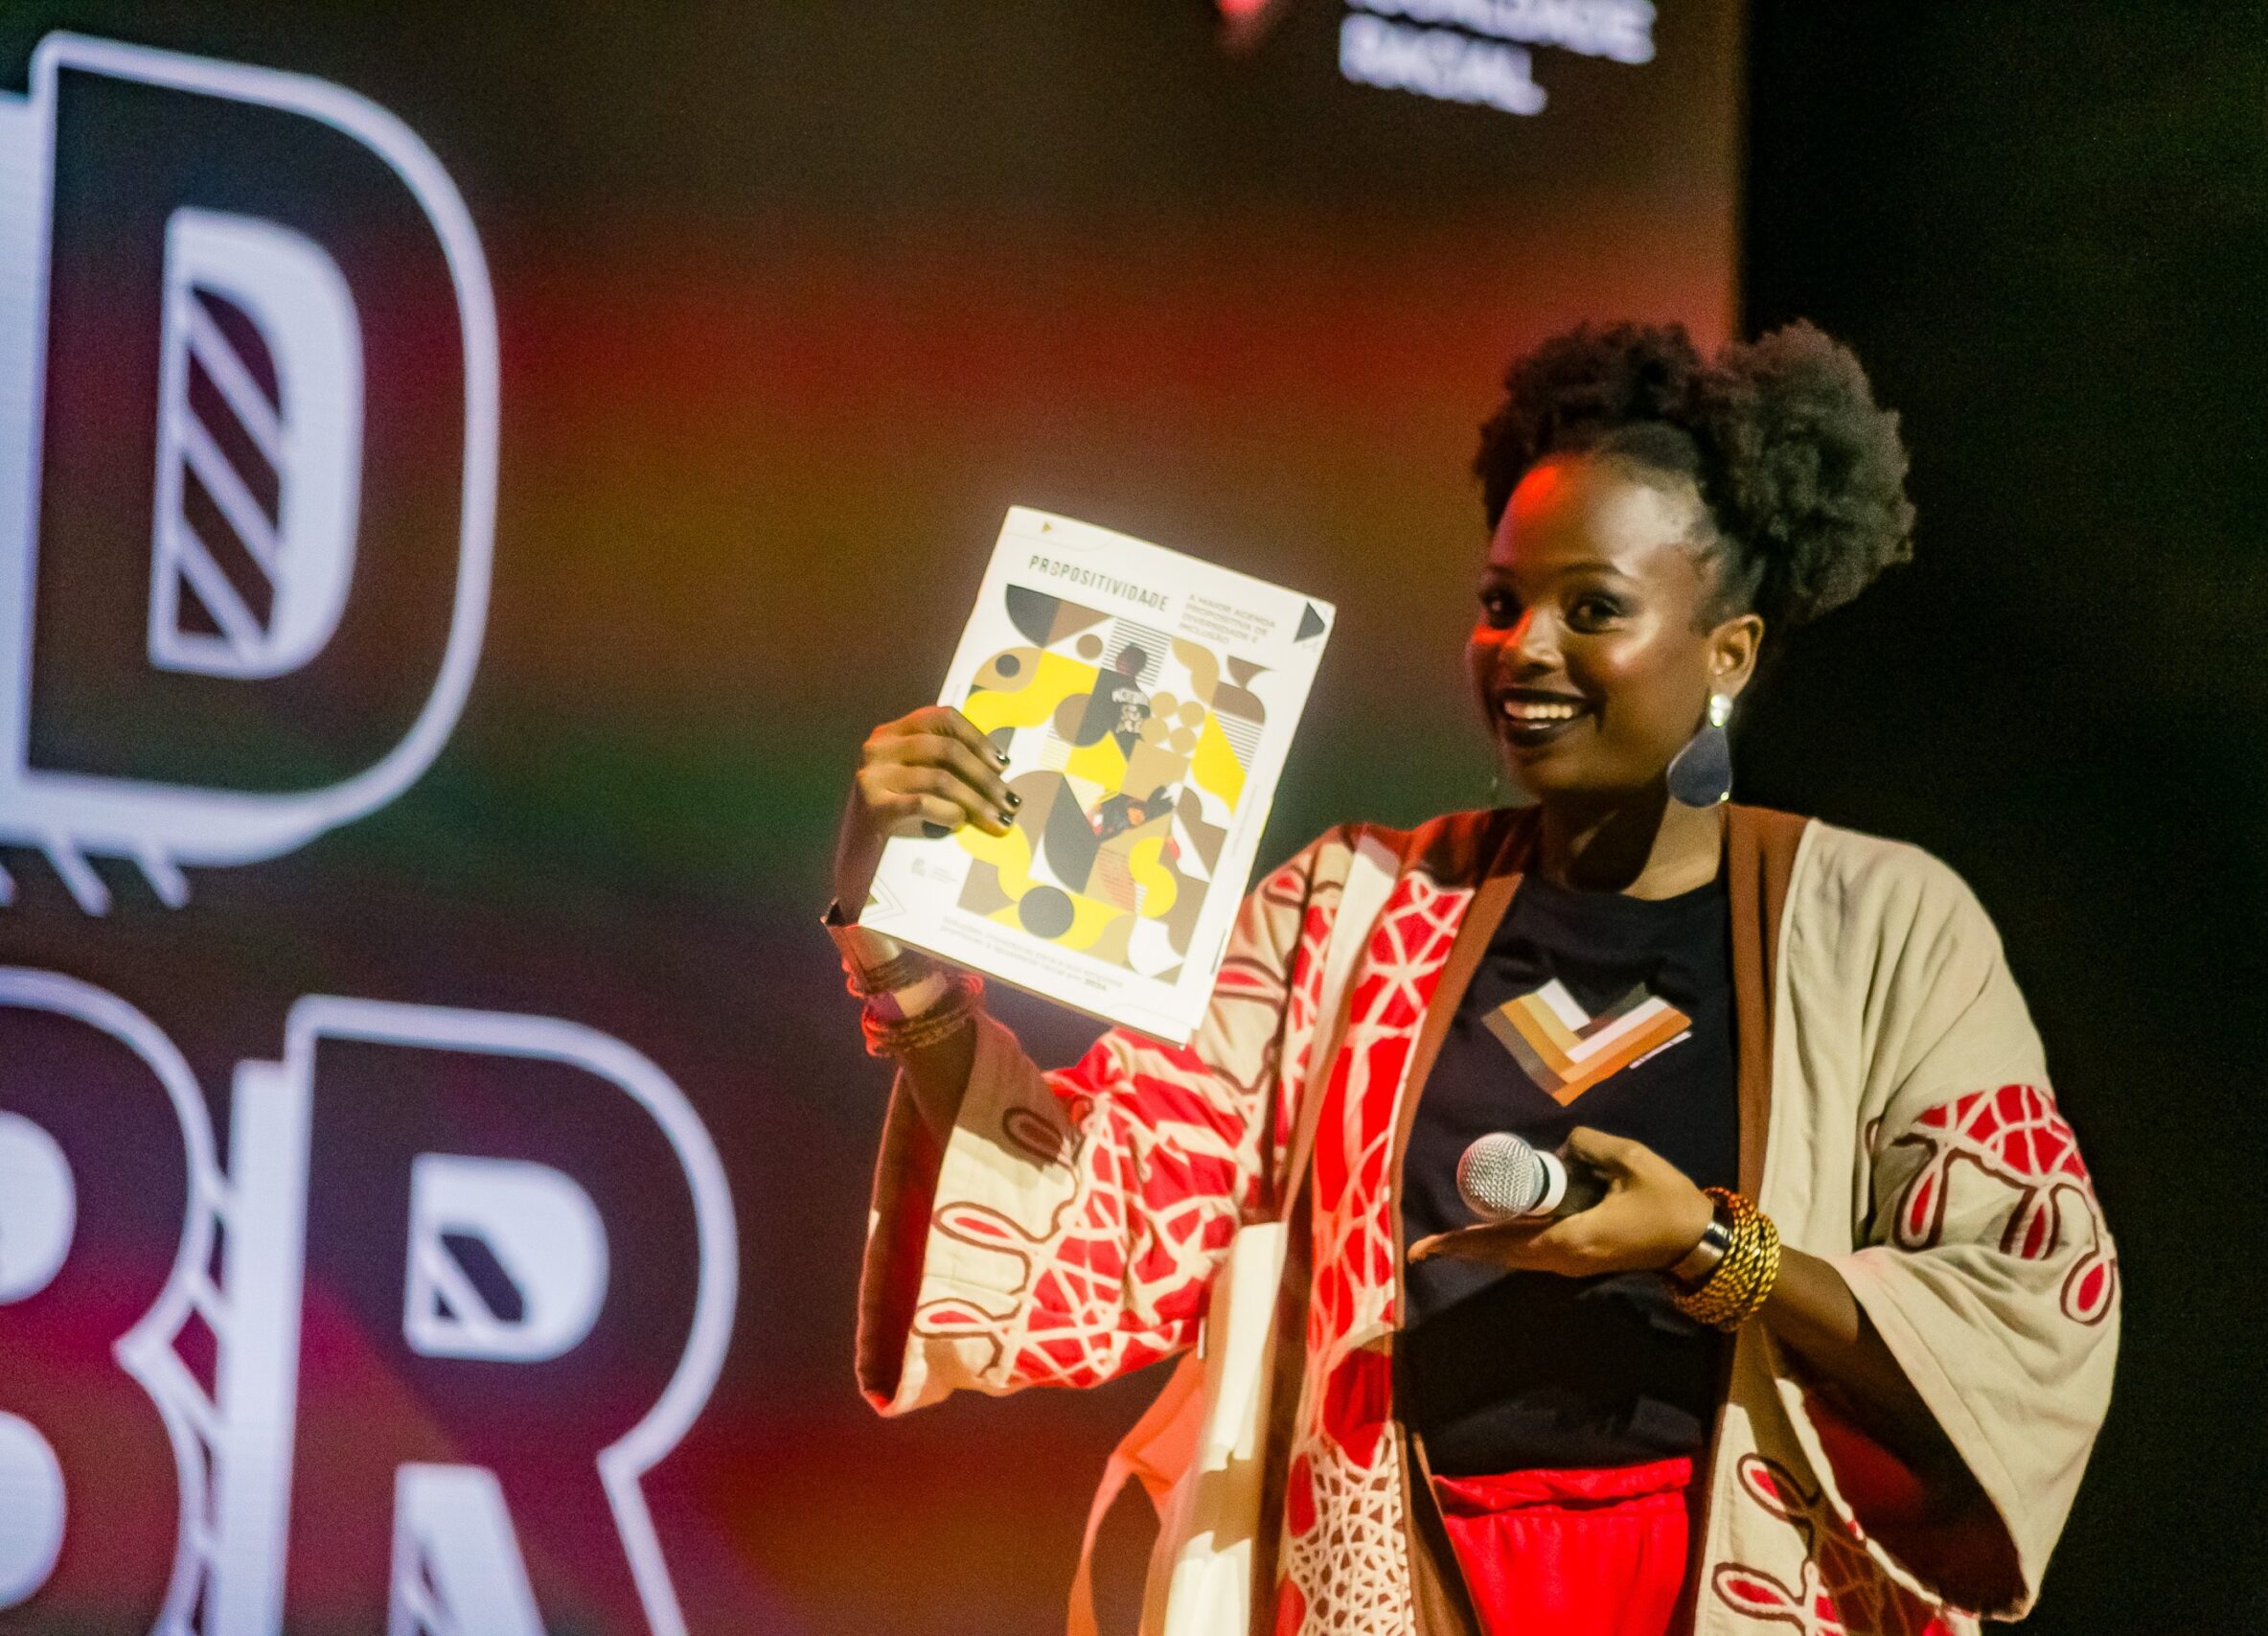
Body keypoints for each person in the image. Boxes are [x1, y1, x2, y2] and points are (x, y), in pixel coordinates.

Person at [831, 320, 2119, 1636]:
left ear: (1727, 653)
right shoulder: (1346, 912)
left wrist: (1710, 1247)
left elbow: (2025, 1303)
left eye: (1592, 609)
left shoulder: (1880, 927)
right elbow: (1109, 1222)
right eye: (1502, 604)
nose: (1525, 649)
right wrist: (904, 953)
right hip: (1410, 1588)